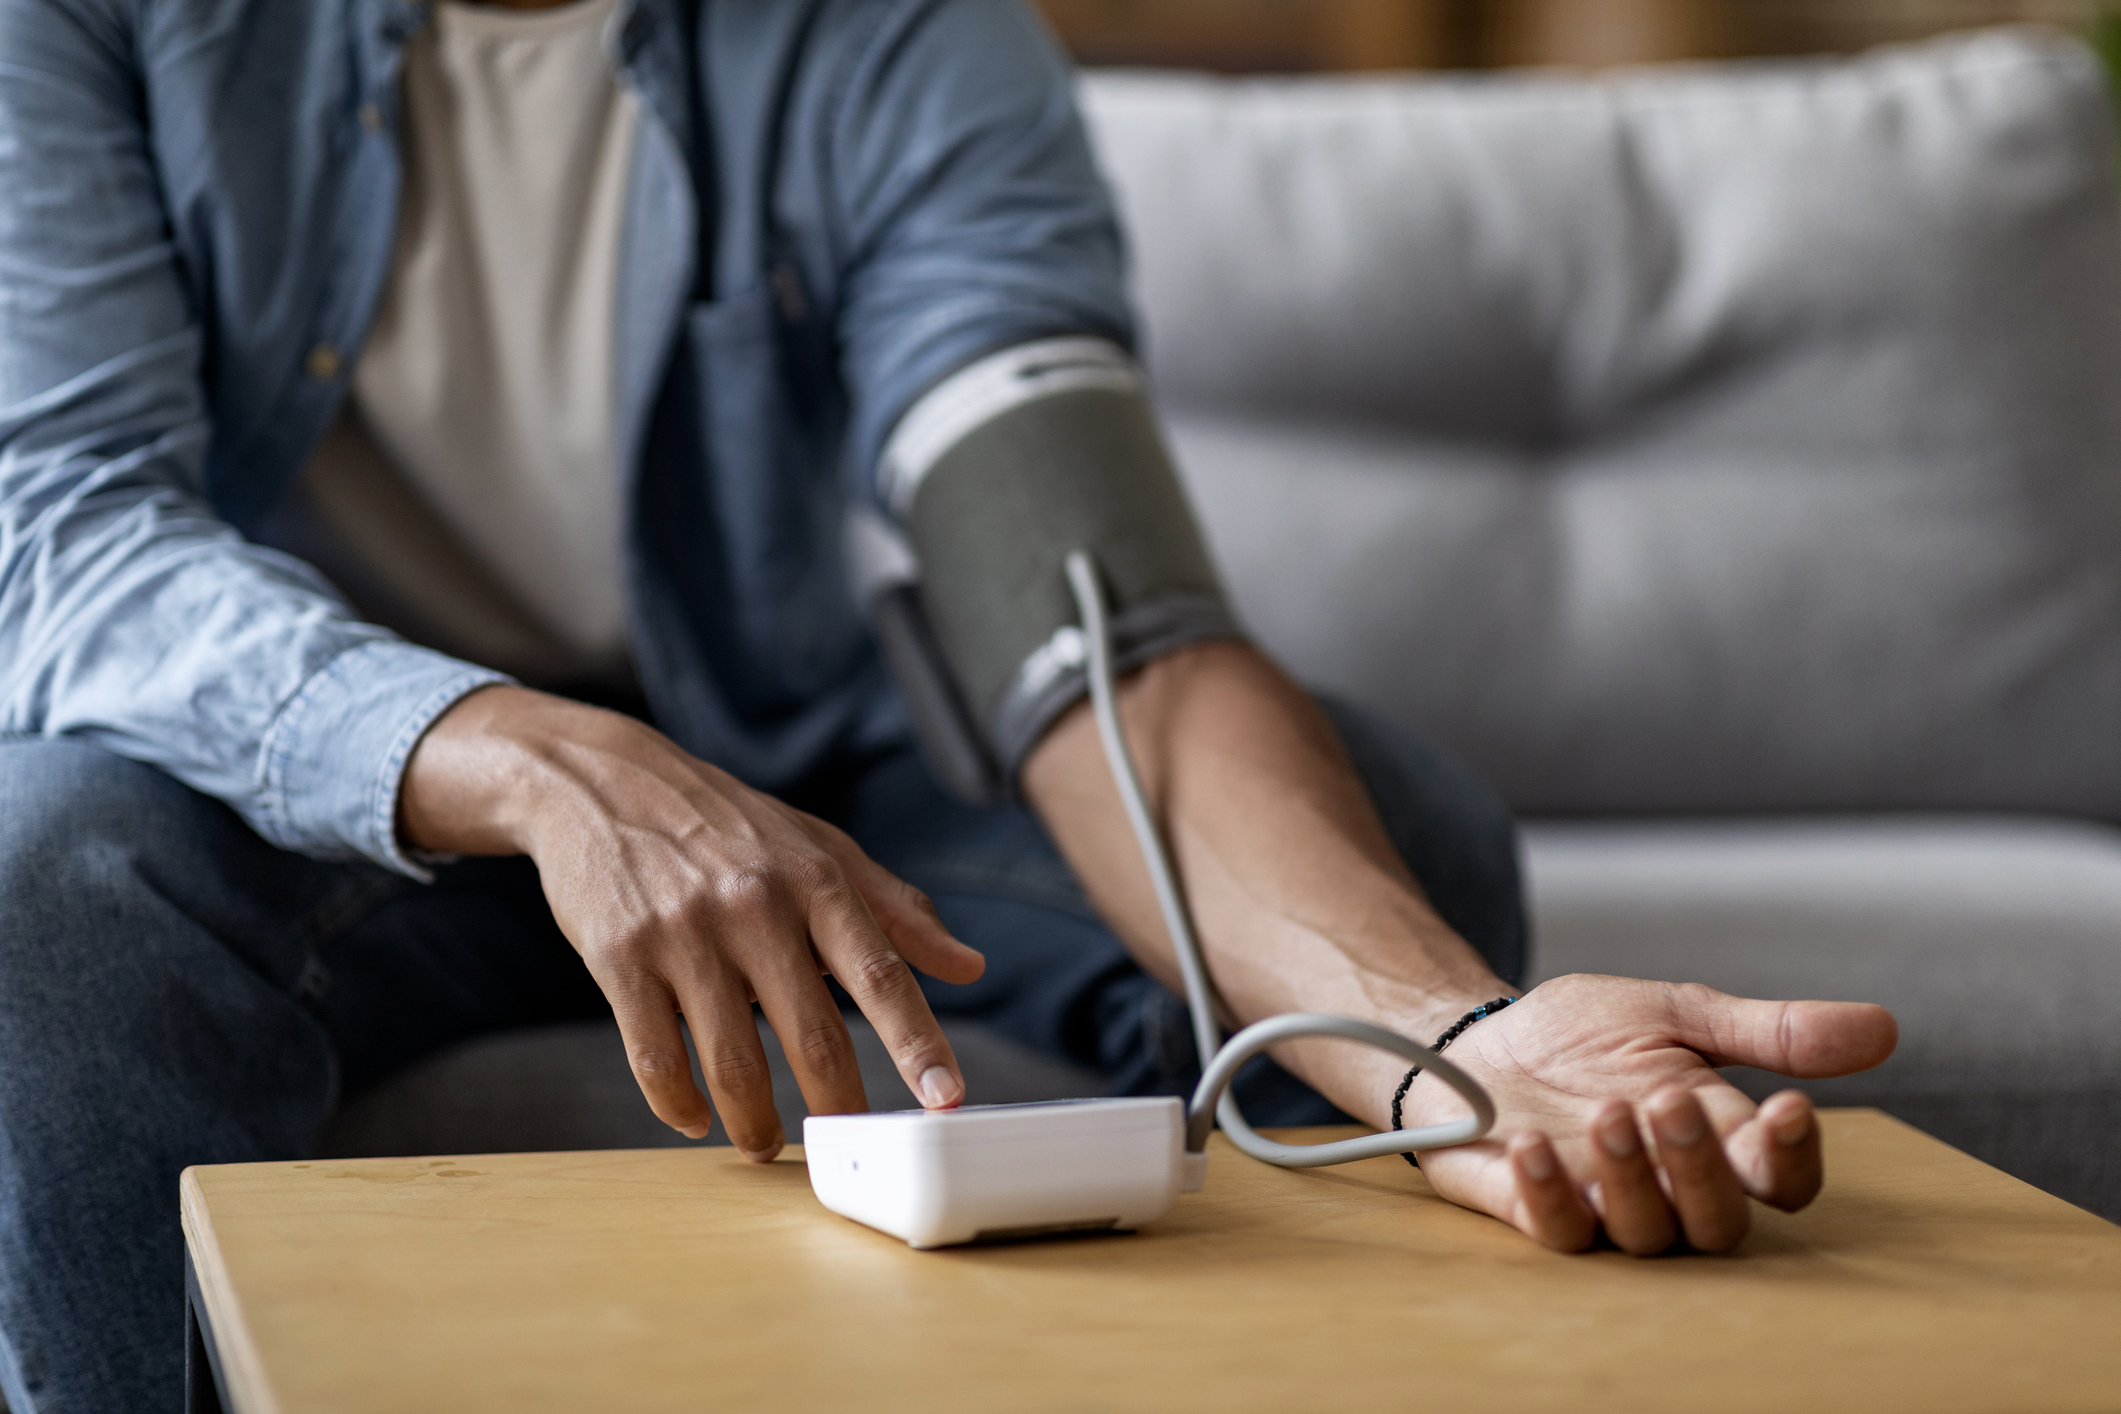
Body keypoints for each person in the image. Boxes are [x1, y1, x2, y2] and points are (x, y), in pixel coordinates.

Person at [0, 0, 1896, 1408]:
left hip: (772, 757)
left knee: (1398, 822)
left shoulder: (905, 32)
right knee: (44, 889)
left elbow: (1093, 619)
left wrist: (1447, 1029)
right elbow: (63, 525)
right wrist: (525, 760)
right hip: (270, 794)